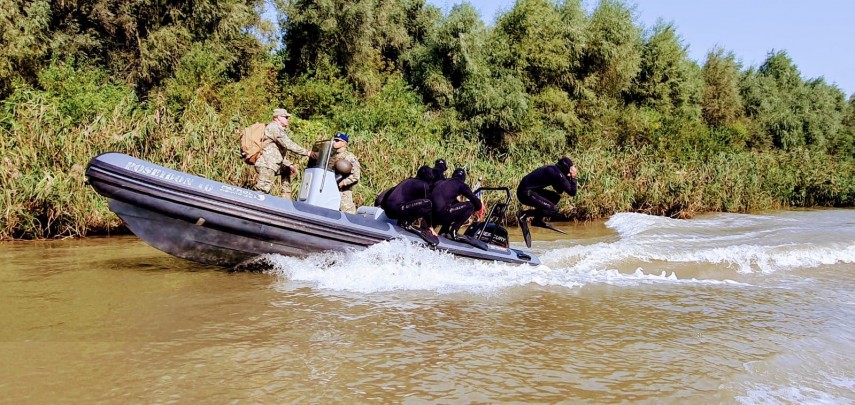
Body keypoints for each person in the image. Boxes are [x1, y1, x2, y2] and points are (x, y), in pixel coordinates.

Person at [516, 157, 578, 247]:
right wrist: (574, 177)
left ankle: (537, 220)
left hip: (529, 190)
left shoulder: (554, 170)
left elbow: (559, 190)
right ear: (566, 168)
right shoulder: (556, 173)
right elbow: (572, 192)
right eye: (571, 168)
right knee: (553, 210)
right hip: (525, 193)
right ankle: (524, 215)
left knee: (555, 198)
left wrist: (568, 177)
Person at [254, 108, 315, 199]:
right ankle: (255, 207)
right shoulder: (274, 127)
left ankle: (286, 197)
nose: (287, 119)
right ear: (278, 117)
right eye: (286, 117)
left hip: (273, 163)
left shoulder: (277, 129)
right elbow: (288, 144)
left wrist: (288, 164)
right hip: (267, 163)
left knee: (286, 170)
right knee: (262, 190)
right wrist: (307, 152)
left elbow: (276, 152)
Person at [381, 165, 438, 246]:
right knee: (427, 203)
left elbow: (388, 192)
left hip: (388, 211)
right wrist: (429, 226)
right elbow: (426, 207)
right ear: (429, 176)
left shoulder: (408, 180)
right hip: (397, 210)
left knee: (417, 203)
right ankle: (406, 224)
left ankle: (403, 221)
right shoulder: (424, 185)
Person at [430, 168, 482, 241]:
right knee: (470, 205)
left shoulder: (441, 181)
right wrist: (476, 209)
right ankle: (453, 232)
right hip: (441, 215)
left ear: (453, 175)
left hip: (430, 216)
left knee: (452, 205)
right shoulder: (461, 184)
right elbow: (477, 202)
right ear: (463, 178)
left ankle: (444, 231)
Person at [327, 132, 361, 214]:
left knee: (348, 214)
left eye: (337, 140)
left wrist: (343, 182)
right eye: (334, 140)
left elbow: (356, 175)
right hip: (330, 189)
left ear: (344, 143)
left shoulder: (349, 156)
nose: (334, 142)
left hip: (343, 192)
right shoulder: (330, 155)